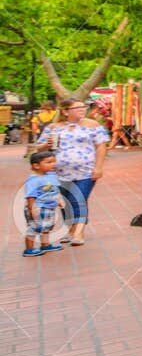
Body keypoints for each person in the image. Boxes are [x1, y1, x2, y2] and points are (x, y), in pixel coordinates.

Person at [40, 99, 109, 246]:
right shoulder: (54, 127)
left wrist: (99, 167)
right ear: (65, 111)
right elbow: (38, 148)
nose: (82, 109)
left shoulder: (93, 125)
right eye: (77, 107)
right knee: (66, 202)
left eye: (83, 106)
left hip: (86, 172)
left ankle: (79, 233)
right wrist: (46, 144)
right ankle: (71, 231)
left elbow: (101, 146)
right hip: (59, 173)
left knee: (80, 199)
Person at [22, 149, 62, 257]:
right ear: (36, 166)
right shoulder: (33, 180)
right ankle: (29, 249)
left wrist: (59, 199)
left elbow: (55, 189)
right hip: (38, 208)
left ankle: (45, 245)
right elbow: (30, 196)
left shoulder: (51, 176)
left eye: (54, 161)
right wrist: (32, 209)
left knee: (47, 227)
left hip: (49, 208)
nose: (53, 164)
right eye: (49, 162)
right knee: (34, 227)